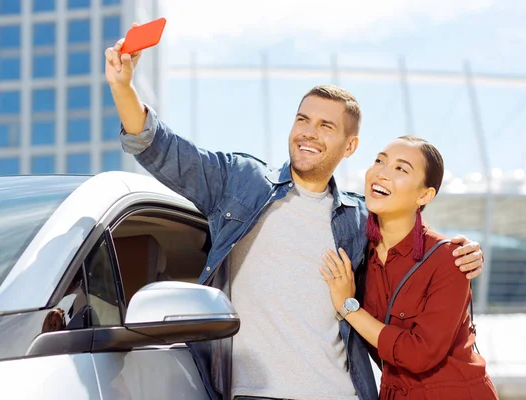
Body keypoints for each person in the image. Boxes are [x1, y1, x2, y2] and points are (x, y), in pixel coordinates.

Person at [104, 30, 485, 400]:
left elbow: (408, 246)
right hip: (255, 393)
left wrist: (463, 249)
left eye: (325, 126)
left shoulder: (356, 219)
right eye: (303, 119)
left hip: (342, 392)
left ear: (349, 145)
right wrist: (123, 87)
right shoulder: (241, 182)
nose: (308, 133)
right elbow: (163, 149)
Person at [319, 136, 497, 399]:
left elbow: (418, 354)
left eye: (401, 168)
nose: (382, 172)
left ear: (424, 195)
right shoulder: (358, 252)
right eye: (380, 161)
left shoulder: (449, 258)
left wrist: (348, 306)